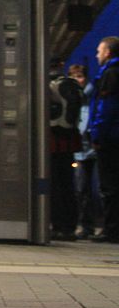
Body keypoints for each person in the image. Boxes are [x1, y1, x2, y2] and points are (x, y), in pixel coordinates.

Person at [88, 36, 119, 243]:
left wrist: (97, 134)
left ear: (108, 52)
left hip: (110, 137)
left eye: (99, 51)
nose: (97, 55)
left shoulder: (110, 73)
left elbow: (105, 107)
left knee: (109, 185)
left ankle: (112, 230)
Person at [48, 57, 82, 241]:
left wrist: (56, 124)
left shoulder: (53, 84)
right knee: (67, 185)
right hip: (67, 142)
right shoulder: (69, 84)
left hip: (54, 141)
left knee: (55, 185)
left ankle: (60, 225)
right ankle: (68, 226)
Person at [69, 63, 100, 238]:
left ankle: (87, 225)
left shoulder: (89, 98)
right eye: (74, 77)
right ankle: (85, 225)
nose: (77, 80)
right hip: (81, 150)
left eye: (80, 76)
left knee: (86, 189)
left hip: (90, 149)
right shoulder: (77, 98)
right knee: (81, 189)